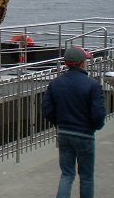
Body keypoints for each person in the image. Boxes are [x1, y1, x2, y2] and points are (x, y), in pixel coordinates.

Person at [42, 46, 106, 198]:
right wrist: (94, 127)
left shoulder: (55, 83)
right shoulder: (93, 85)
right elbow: (98, 114)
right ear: (82, 63)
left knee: (67, 174)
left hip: (64, 133)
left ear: (66, 64)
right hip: (85, 134)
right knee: (86, 177)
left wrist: (59, 122)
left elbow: (46, 109)